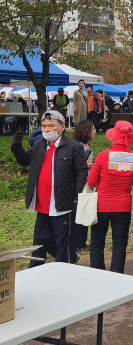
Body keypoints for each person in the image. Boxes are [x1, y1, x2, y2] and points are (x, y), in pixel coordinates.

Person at [11, 110, 88, 267]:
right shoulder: (40, 145)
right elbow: (25, 160)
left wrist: (77, 195)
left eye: (51, 126)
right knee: (39, 243)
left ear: (62, 126)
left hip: (62, 205)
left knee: (62, 244)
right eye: (44, 126)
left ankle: (64, 270)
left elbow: (81, 172)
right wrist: (17, 147)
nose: (46, 130)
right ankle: (35, 271)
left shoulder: (74, 147)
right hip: (42, 204)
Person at [88, 121, 133, 273]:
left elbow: (91, 181)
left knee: (97, 242)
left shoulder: (103, 156)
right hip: (123, 207)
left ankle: (97, 273)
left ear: (114, 137)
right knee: (120, 244)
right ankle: (117, 275)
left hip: (101, 205)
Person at [71, 120, 96, 251]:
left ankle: (81, 241)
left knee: (85, 211)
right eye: (93, 128)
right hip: (81, 184)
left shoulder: (87, 146)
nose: (95, 131)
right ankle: (77, 242)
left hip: (88, 183)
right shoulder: (78, 146)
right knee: (80, 212)